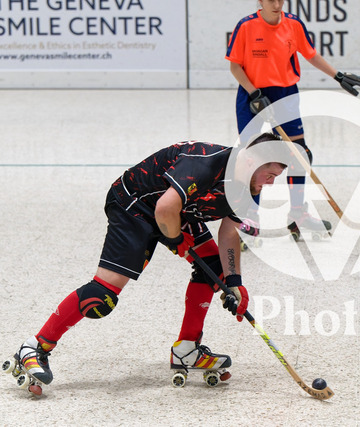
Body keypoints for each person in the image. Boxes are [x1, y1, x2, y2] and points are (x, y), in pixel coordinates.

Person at [6, 132, 289, 390]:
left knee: (214, 269)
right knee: (101, 296)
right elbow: (164, 208)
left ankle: (187, 349)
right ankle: (34, 347)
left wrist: (235, 281)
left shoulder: (250, 187)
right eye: (270, 174)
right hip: (135, 205)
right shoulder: (204, 164)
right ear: (250, 160)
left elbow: (229, 233)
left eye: (275, 176)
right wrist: (176, 239)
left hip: (178, 212)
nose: (271, 182)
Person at [225, 0, 360, 238]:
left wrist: (339, 76)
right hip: (252, 94)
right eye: (270, 0)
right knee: (251, 156)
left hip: (285, 94)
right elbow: (235, 67)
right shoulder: (246, 26)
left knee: (299, 154)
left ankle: (297, 214)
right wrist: (255, 94)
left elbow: (311, 55)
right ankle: (250, 215)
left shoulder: (293, 24)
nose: (276, 4)